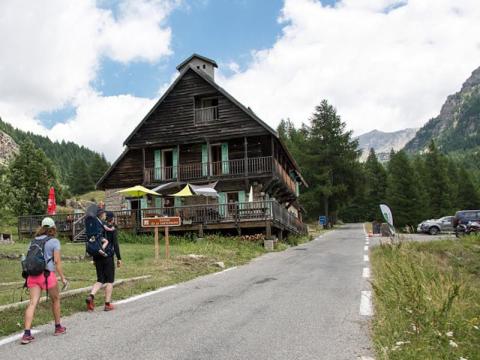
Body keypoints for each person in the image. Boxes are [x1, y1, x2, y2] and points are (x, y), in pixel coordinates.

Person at [21, 217, 67, 344]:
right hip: (47, 276)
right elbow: (57, 262)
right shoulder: (54, 241)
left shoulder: (32, 242)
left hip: (32, 276)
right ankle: (58, 327)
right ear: (53, 228)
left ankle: (26, 333)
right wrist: (62, 277)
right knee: (56, 299)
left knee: (32, 303)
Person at [86, 211, 122, 312]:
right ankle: (107, 304)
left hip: (97, 256)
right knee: (110, 281)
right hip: (108, 256)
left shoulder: (99, 227)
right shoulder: (112, 229)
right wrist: (119, 258)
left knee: (100, 279)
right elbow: (115, 245)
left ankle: (91, 296)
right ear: (112, 219)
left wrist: (94, 258)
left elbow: (96, 243)